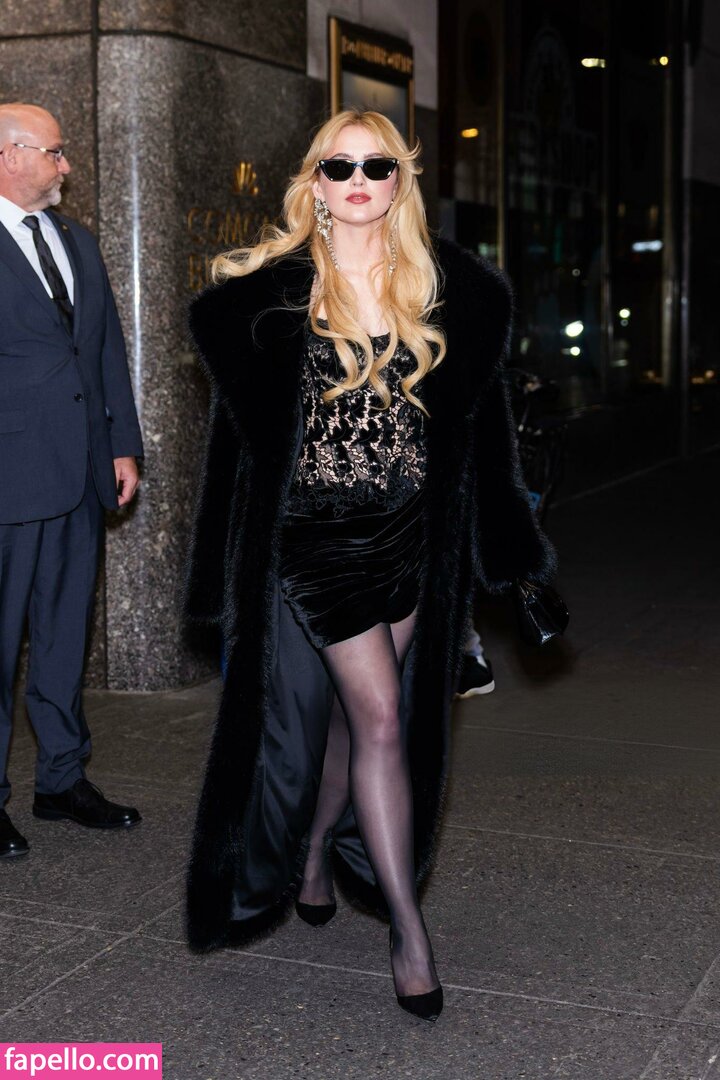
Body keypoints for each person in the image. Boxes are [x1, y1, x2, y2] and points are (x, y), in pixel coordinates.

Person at [184, 109, 556, 1022]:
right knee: (384, 716)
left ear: (401, 180)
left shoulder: (448, 293)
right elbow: (232, 459)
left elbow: (487, 443)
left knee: (359, 723)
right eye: (340, 166)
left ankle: (317, 851)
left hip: (411, 539)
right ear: (314, 182)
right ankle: (407, 933)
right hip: (315, 541)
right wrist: (209, 588)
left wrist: (512, 557)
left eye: (377, 165)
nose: (358, 181)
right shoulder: (265, 300)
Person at [0, 103, 144, 859]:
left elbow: (105, 349)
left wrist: (122, 446)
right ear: (8, 154)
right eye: (53, 153)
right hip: (7, 477)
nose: (65, 166)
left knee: (63, 640)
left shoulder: (76, 241)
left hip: (81, 476)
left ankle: (61, 780)